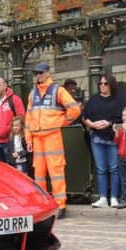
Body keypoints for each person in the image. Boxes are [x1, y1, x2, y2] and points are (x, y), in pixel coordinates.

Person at [25, 63, 81, 219]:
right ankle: (43, 205)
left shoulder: (58, 90)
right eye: (35, 73)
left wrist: (60, 123)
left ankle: (60, 205)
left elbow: (75, 110)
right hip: (37, 138)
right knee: (39, 174)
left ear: (47, 73)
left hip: (52, 137)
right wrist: (28, 138)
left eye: (40, 73)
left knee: (56, 171)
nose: (37, 76)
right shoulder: (32, 93)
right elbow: (28, 118)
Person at [82, 74, 125, 209]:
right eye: (100, 83)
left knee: (114, 168)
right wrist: (93, 125)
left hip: (113, 137)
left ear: (111, 85)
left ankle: (113, 197)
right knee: (101, 169)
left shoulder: (119, 100)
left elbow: (123, 118)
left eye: (105, 83)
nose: (102, 86)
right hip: (97, 137)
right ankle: (102, 197)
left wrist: (109, 122)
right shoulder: (94, 100)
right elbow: (84, 116)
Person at [0, 77, 25, 162]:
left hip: (10, 141)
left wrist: (10, 130)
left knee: (11, 168)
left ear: (5, 86)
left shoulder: (14, 99)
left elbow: (22, 118)